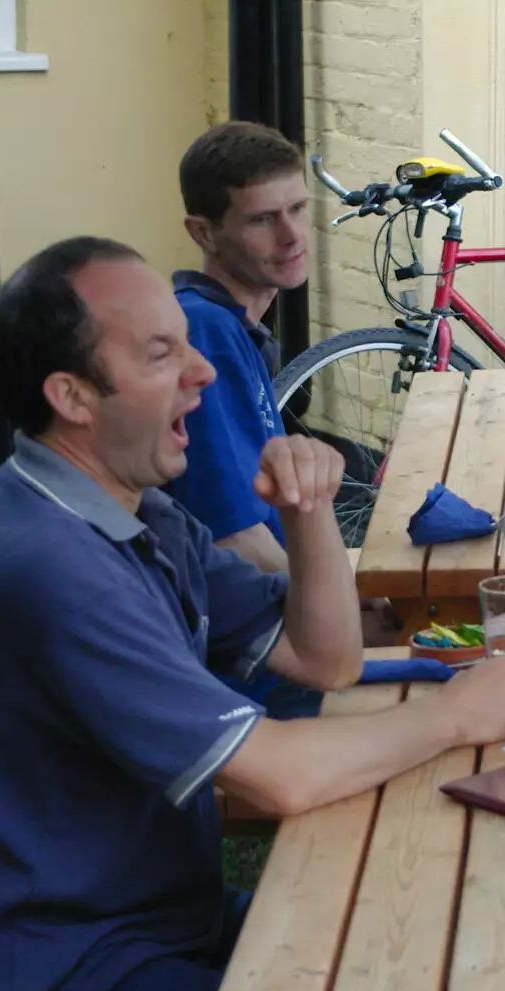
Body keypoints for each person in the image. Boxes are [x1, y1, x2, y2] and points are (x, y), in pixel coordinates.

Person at [0, 237, 505, 991]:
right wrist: (452, 714)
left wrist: (308, 509)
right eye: (160, 353)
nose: (203, 372)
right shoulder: (50, 564)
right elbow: (279, 775)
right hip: (52, 988)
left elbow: (327, 662)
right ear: (71, 395)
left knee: (425, 953)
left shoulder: (137, 512)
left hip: (157, 923)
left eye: (187, 341)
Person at [166, 120, 395, 718]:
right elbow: (233, 535)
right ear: (203, 232)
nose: (293, 235)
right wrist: (337, 606)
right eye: (262, 219)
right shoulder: (205, 333)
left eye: (297, 207)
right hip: (247, 680)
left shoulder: (230, 328)